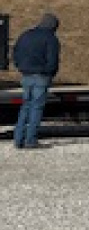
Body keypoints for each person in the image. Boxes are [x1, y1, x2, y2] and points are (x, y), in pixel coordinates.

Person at [12, 12, 60, 150]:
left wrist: (20, 66)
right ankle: (30, 140)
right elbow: (53, 59)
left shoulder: (25, 35)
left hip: (26, 74)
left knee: (25, 106)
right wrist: (50, 72)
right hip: (42, 75)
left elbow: (15, 52)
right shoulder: (51, 38)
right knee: (36, 107)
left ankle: (18, 139)